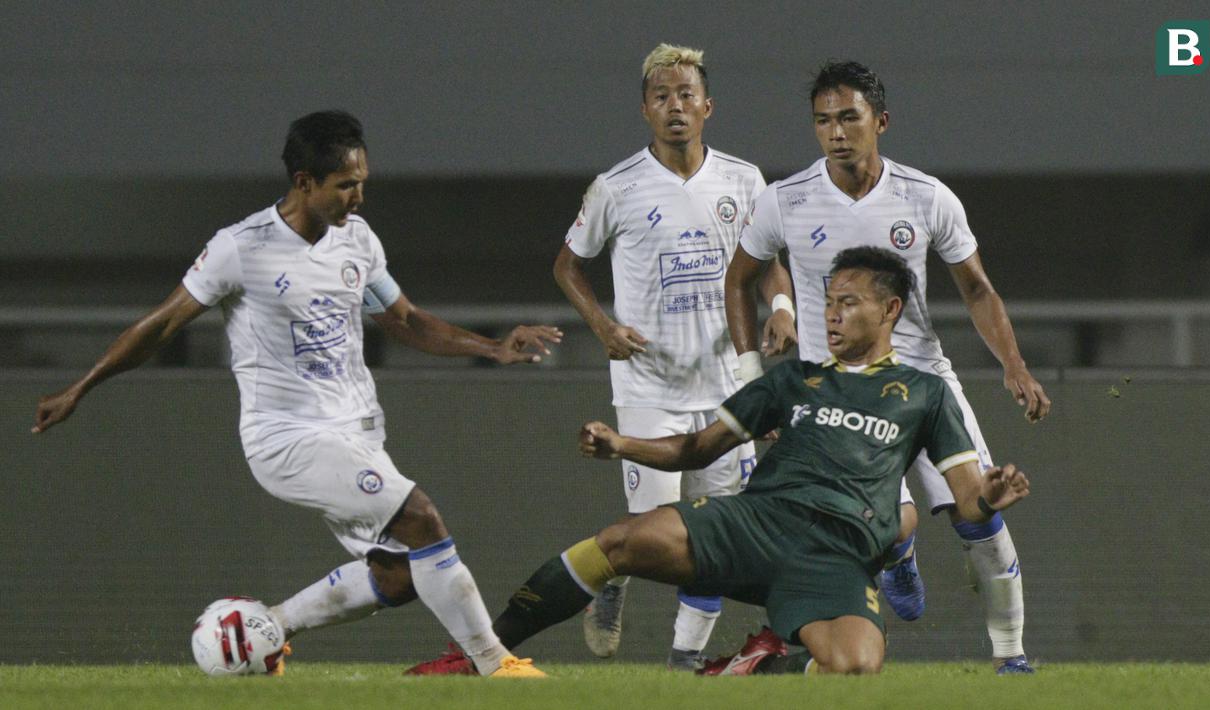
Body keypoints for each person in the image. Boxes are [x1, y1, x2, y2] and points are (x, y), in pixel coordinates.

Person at [30, 110, 559, 678]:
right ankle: (491, 663)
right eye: (345, 185)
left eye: (362, 183)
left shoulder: (357, 239)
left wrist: (492, 347)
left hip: (357, 433)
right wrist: (83, 386)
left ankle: (271, 627)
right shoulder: (241, 247)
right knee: (422, 518)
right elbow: (161, 325)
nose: (358, 197)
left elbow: (405, 319)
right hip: (288, 439)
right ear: (304, 182)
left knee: (399, 576)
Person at [411, 246, 1029, 676]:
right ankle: (476, 655)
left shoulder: (926, 393)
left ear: (890, 310)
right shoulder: (794, 381)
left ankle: (758, 665)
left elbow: (966, 497)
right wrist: (620, 445)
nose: (830, 314)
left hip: (836, 554)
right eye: (827, 301)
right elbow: (696, 449)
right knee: (619, 541)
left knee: (855, 668)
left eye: (848, 303)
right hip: (754, 525)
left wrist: (991, 498)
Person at [724, 61, 1050, 673]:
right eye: (823, 121)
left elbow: (977, 289)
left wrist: (1014, 364)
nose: (836, 132)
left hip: (922, 385)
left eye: (849, 117)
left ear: (880, 121)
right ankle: (897, 554)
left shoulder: (925, 197)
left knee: (981, 514)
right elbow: (738, 279)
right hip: (835, 398)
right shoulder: (785, 200)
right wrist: (752, 385)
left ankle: (1012, 660)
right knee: (880, 528)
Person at [550, 43, 794, 670]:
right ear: (645, 110)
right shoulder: (617, 186)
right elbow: (568, 265)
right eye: (661, 96)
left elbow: (766, 266)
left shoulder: (743, 180)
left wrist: (784, 312)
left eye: (685, 95)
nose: (674, 106)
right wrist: (602, 326)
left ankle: (683, 664)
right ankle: (612, 581)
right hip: (649, 385)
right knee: (653, 530)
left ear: (707, 107)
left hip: (725, 387)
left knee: (716, 536)